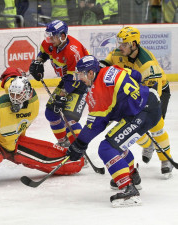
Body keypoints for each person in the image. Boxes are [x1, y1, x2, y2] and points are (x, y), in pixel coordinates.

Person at [66, 55, 162, 207]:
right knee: (114, 141)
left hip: (143, 112)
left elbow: (95, 124)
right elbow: (135, 75)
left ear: (91, 73)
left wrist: (79, 144)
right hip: (147, 100)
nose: (80, 78)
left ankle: (129, 190)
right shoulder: (109, 69)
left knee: (106, 148)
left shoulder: (98, 91)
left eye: (82, 74)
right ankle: (132, 176)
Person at [101, 26, 173, 179]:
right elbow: (107, 61)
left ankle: (166, 159)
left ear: (134, 44)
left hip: (156, 92)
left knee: (155, 124)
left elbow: (154, 94)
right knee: (132, 125)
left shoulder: (147, 65)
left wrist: (144, 112)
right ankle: (148, 145)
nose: (120, 48)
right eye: (119, 44)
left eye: (124, 44)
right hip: (132, 92)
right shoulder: (120, 53)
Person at [29, 20, 89, 148]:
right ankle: (65, 143)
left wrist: (62, 96)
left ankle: (79, 152)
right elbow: (44, 52)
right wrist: (38, 62)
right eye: (48, 35)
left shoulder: (73, 51)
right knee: (51, 112)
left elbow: (76, 78)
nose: (49, 39)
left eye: (52, 36)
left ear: (62, 36)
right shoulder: (50, 42)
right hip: (68, 79)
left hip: (82, 82)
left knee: (69, 118)